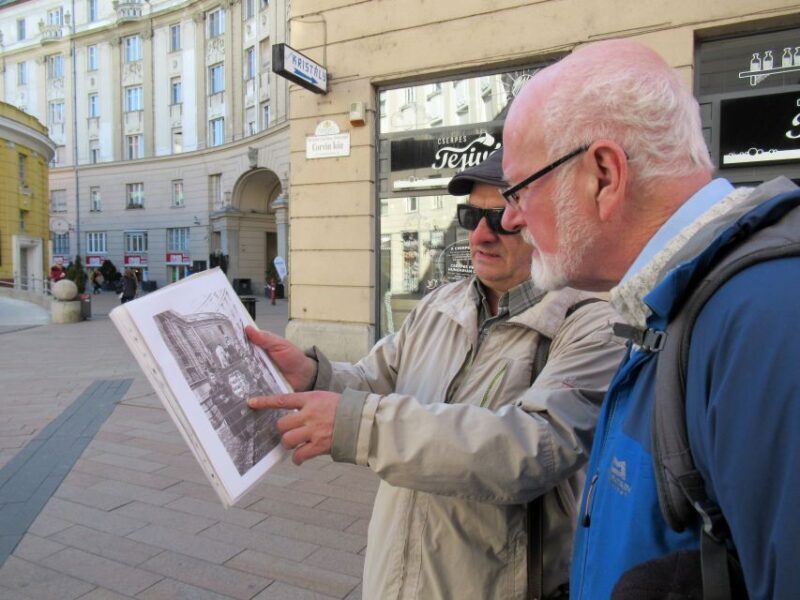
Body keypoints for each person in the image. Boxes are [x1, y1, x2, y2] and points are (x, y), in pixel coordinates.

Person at [246, 149, 624, 599]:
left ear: (547, 221)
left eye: (501, 217)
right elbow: (375, 378)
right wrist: (311, 373)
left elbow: (530, 449)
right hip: (396, 578)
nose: (480, 236)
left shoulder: (594, 324)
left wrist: (357, 425)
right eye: (470, 216)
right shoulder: (440, 304)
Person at [499, 38, 800, 599]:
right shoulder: (678, 304)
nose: (511, 218)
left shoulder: (764, 319)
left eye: (519, 189)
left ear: (604, 175)